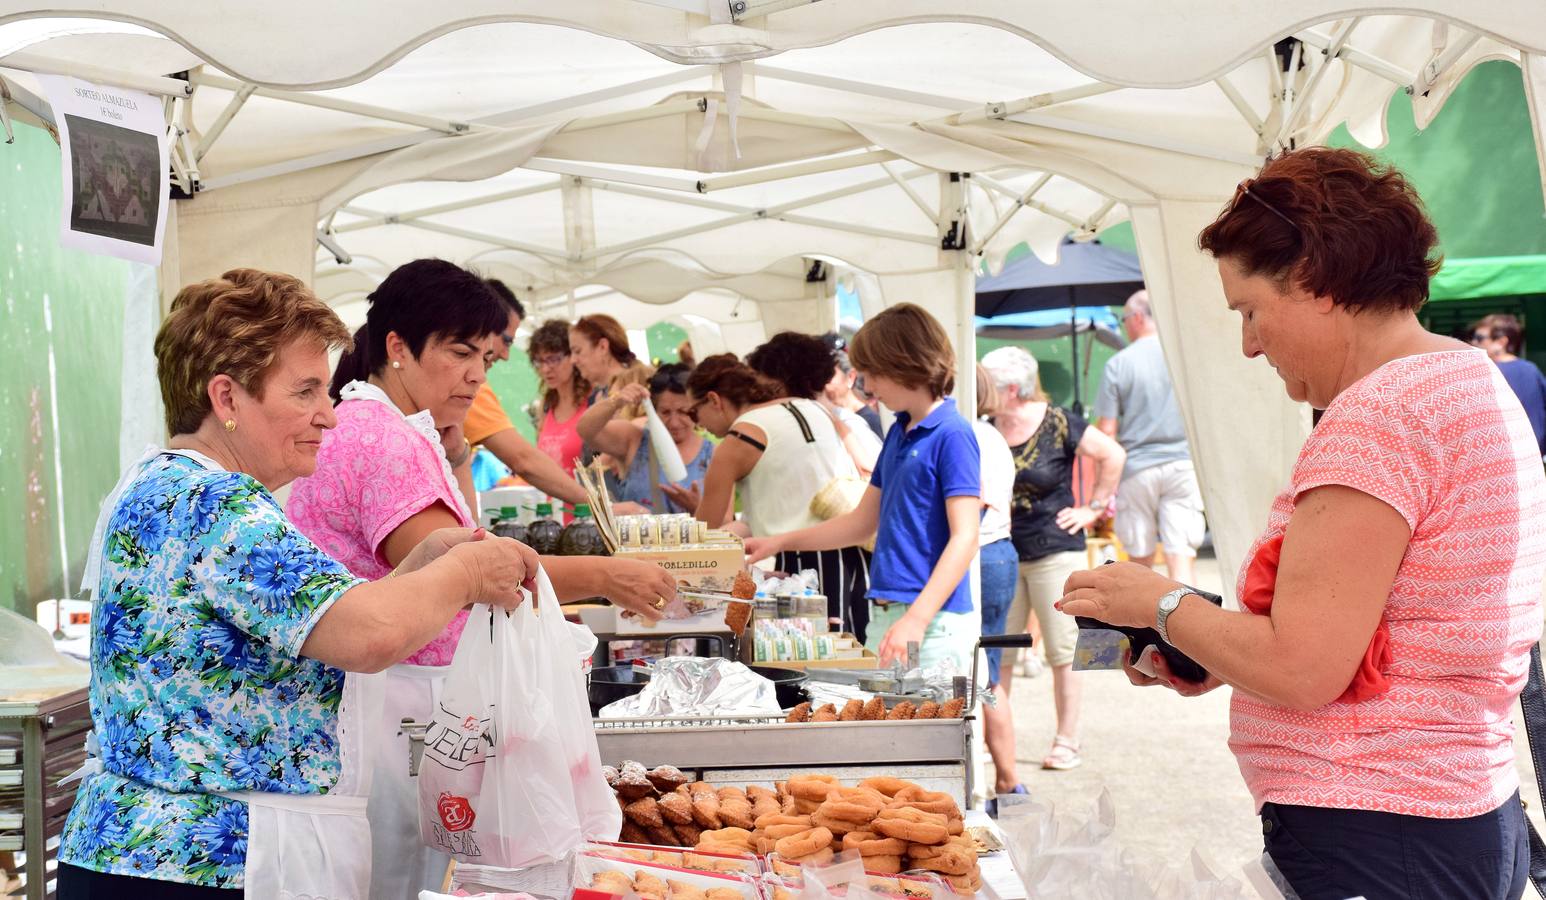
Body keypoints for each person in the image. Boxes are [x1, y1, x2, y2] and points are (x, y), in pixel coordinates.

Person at [1061, 147, 1546, 900]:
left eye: (1250, 310)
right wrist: (1210, 647)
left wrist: (1157, 603)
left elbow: (1303, 668)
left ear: (1317, 281)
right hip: (1440, 810)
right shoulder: (1464, 379)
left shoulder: (1383, 415)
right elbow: (1386, 629)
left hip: (1383, 826)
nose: (1249, 343)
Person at [56, 269, 537, 898]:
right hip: (197, 866)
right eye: (306, 391)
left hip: (139, 856)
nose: (328, 416)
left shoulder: (162, 485)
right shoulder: (215, 505)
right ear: (226, 399)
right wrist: (468, 571)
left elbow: (321, 612)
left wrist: (424, 565)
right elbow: (368, 635)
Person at [288, 260, 674, 899]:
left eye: (487, 359)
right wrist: (607, 574)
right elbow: (467, 571)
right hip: (390, 709)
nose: (475, 374)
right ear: (397, 348)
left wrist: (456, 451)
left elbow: (463, 543)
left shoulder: (385, 428)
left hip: (387, 706)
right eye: (460, 352)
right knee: (405, 880)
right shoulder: (380, 438)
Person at [746, 305, 981, 670]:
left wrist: (916, 620)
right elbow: (861, 522)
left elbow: (965, 537)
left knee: (927, 726)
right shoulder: (899, 431)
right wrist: (778, 542)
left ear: (904, 363)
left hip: (932, 622)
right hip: (890, 615)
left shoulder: (953, 434)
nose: (867, 388)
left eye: (872, 375)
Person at [982, 345, 1124, 771]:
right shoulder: (985, 425)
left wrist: (1093, 508)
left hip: (1054, 550)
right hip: (1001, 551)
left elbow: (1112, 454)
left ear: (1012, 389)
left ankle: (1067, 740)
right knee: (997, 652)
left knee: (1065, 649)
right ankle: (994, 741)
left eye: (990, 383)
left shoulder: (1057, 420)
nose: (982, 390)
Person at [671, 354, 873, 640]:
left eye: (694, 413)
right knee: (847, 650)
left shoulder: (738, 439)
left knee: (802, 659)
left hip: (800, 562)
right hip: (850, 549)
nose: (699, 425)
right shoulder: (812, 407)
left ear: (714, 400)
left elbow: (705, 530)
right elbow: (865, 465)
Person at [1094, 289, 1206, 582]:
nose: (1124, 325)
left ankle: (1143, 628)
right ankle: (1186, 624)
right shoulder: (1183, 359)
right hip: (1183, 465)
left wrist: (1101, 485)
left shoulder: (1118, 364)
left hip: (1136, 468)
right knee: (1180, 555)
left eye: (1124, 318)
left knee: (1139, 561)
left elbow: (1107, 430)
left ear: (1139, 318)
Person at [460, 278, 590, 508]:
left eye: (553, 359)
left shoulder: (595, 400)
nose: (505, 355)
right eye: (507, 341)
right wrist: (601, 506)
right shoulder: (467, 382)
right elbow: (523, 459)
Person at [970, 363, 1025, 803]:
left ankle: (1008, 780)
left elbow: (978, 506)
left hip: (982, 556)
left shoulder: (970, 434)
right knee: (989, 677)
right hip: (997, 553)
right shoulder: (991, 435)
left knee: (986, 679)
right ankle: (1008, 781)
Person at [575, 363, 712, 513]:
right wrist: (616, 401)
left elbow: (726, 523)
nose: (674, 422)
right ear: (653, 408)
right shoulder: (634, 440)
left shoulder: (712, 454)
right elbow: (585, 430)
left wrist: (697, 507)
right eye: (665, 412)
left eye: (683, 412)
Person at [749, 331, 879, 477]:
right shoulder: (827, 422)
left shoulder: (849, 425)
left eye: (771, 389)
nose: (767, 398)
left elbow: (875, 475)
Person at [1472, 313, 1546, 455]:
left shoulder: (1485, 372)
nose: (1473, 342)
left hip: (1503, 458)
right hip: (1534, 455)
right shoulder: (1531, 369)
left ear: (1501, 342)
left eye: (1479, 338)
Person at [528, 319, 592, 476]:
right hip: (552, 500)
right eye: (539, 361)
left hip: (585, 499)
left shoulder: (593, 400)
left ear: (573, 356)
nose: (545, 368)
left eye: (553, 359)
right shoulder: (546, 405)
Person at [570, 313, 652, 417]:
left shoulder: (641, 381)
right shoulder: (594, 395)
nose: (572, 360)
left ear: (603, 347)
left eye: (577, 351)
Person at [823, 333, 885, 439]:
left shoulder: (871, 421)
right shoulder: (826, 420)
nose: (822, 384)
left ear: (851, 377)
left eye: (828, 376)